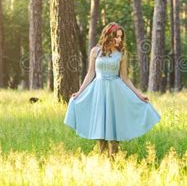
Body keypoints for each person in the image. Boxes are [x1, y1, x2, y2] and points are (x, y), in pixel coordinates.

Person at [64, 22, 161, 157]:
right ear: (108, 36)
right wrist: (80, 92)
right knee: (100, 127)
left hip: (115, 92)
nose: (119, 40)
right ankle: (103, 157)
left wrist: (139, 95)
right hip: (98, 90)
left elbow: (125, 78)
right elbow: (91, 73)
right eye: (116, 36)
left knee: (114, 128)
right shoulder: (95, 51)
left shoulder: (121, 54)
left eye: (121, 37)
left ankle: (114, 158)